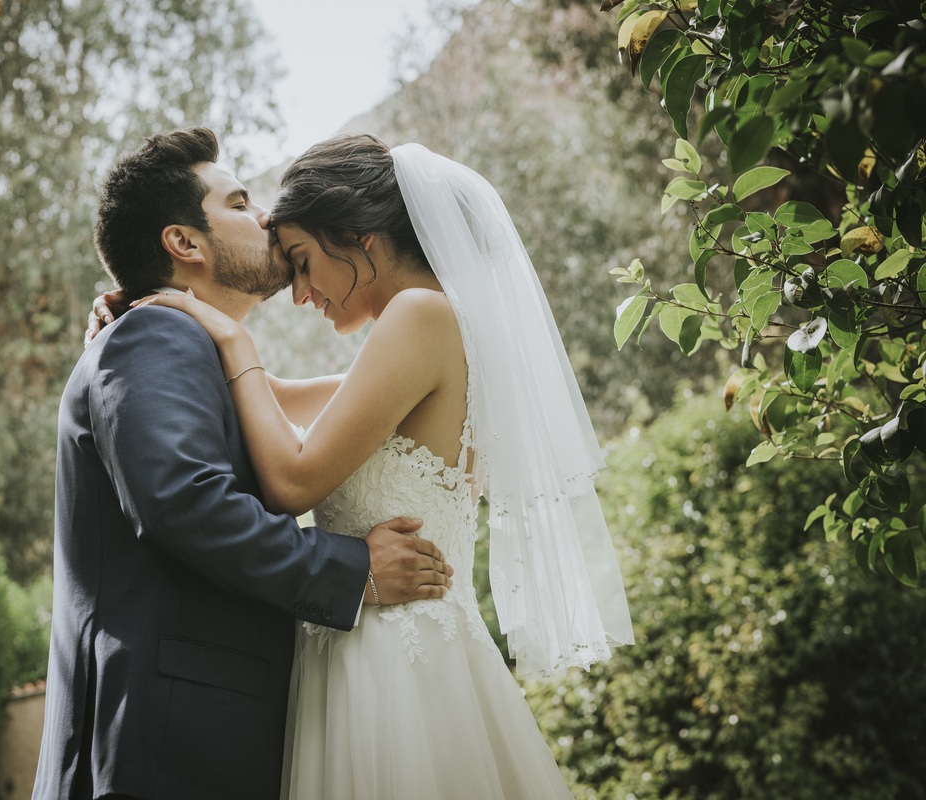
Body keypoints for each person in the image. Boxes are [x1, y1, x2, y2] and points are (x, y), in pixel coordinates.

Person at [94, 134, 635, 799]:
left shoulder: (420, 315)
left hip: (392, 663)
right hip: (381, 648)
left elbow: (293, 480)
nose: (300, 293)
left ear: (361, 240)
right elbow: (272, 398)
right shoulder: (430, 328)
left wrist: (230, 333)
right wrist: (159, 328)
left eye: (301, 261)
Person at [34, 128, 455, 800]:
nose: (264, 217)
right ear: (185, 242)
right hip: (163, 750)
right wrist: (352, 571)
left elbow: (331, 403)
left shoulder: (183, 344)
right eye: (239, 202)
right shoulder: (153, 334)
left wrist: (225, 336)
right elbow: (185, 501)